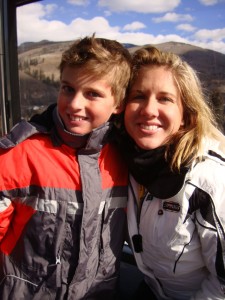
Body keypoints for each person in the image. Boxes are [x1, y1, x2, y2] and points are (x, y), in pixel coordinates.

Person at [0, 35, 131, 299]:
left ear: (118, 103)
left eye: (92, 94)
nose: (74, 105)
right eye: (68, 89)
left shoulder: (126, 158)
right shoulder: (19, 155)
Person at [118, 46, 225, 299]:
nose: (148, 110)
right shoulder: (126, 158)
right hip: (151, 289)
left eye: (165, 99)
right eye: (138, 96)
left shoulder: (208, 180)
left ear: (186, 116)